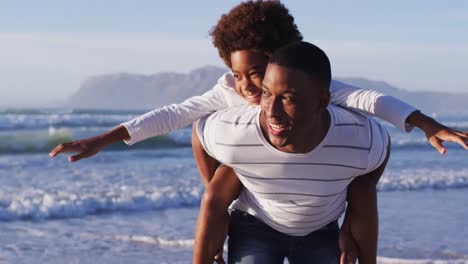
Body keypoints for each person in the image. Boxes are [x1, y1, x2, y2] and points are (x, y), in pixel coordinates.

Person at [48, 1, 468, 263]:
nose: (248, 86)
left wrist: (427, 126)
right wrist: (103, 139)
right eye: (237, 74)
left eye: (256, 72)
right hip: (251, 198)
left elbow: (371, 102)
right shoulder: (229, 92)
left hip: (314, 210)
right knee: (219, 170)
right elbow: (175, 114)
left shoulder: (310, 90)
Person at [194, 41, 392, 263]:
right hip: (254, 226)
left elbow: (381, 150)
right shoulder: (237, 132)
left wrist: (352, 219)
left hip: (321, 231)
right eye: (267, 93)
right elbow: (199, 130)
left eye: (288, 98)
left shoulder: (355, 136)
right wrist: (219, 207)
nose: (272, 111)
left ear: (322, 101)